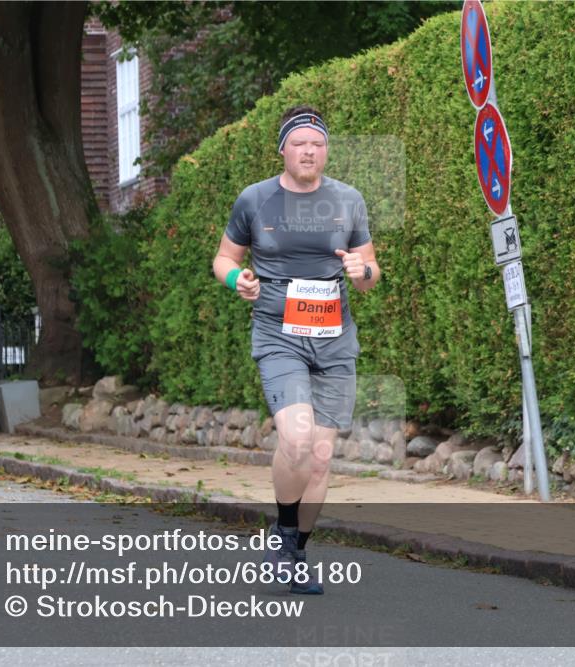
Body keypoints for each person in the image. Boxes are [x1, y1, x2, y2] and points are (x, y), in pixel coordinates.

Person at [211, 105, 380, 594]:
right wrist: (235, 280)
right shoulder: (255, 200)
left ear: (326, 151)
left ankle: (295, 550)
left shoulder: (348, 200)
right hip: (278, 335)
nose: (309, 150)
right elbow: (224, 258)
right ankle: (285, 536)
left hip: (334, 340)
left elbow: (371, 271)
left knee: (322, 457)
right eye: (300, 143)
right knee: (298, 439)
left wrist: (361, 273)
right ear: (283, 149)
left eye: (318, 143)